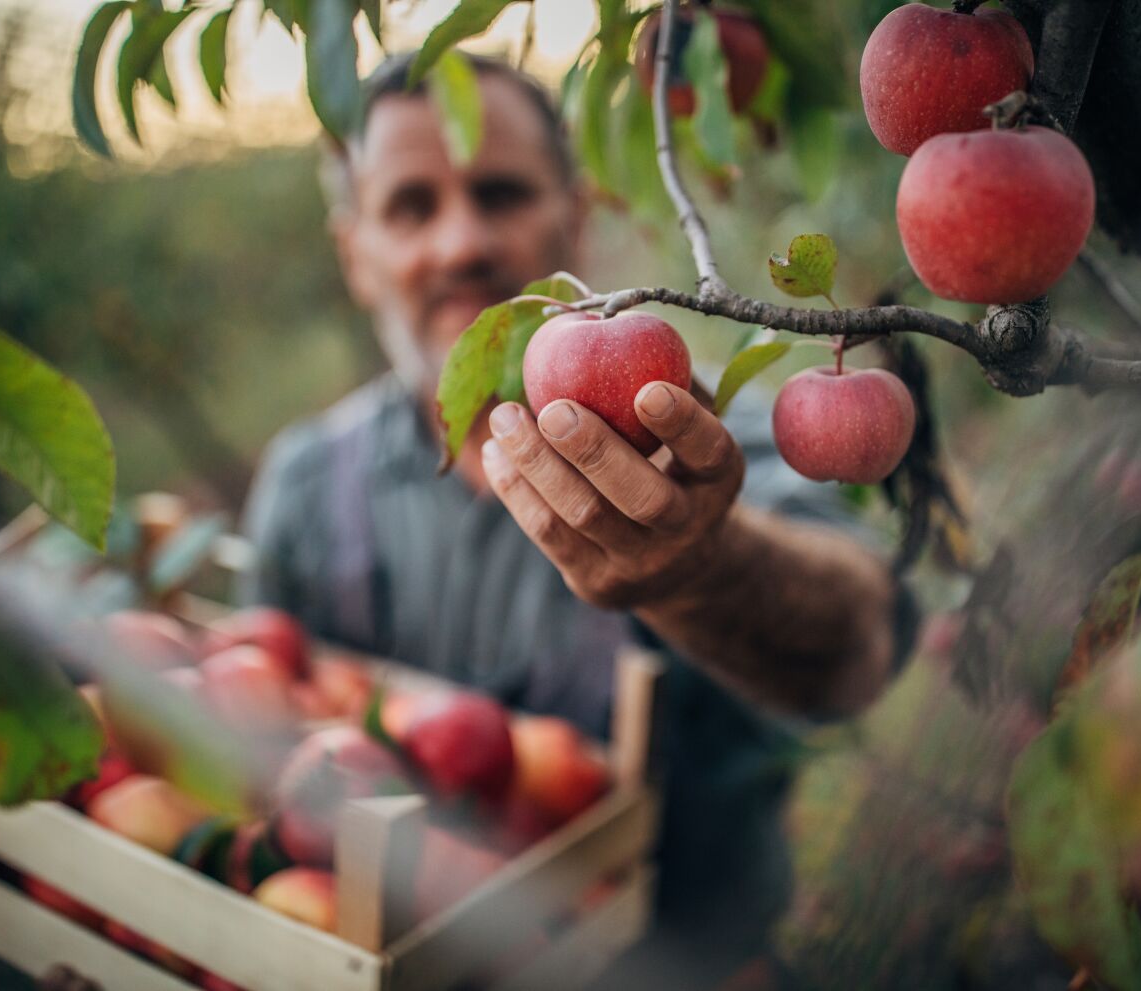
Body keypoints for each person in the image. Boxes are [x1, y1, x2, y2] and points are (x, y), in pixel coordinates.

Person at [240, 51, 917, 989]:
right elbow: (254, 760)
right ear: (354, 251)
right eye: (410, 207)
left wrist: (705, 566)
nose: (461, 243)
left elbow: (861, 647)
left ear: (578, 219)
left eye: (502, 192)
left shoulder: (706, 437)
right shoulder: (307, 488)